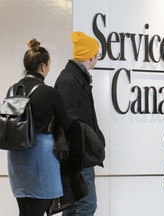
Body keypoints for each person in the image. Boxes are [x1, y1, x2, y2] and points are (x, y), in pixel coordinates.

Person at [7, 38, 71, 216]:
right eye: (49, 64)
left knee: (25, 211)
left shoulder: (12, 90)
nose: (49, 68)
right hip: (40, 156)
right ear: (42, 67)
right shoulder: (50, 93)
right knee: (37, 209)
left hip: (16, 155)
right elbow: (65, 123)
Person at [55, 31, 105, 216]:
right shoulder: (70, 80)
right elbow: (67, 120)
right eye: (97, 54)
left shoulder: (75, 77)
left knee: (74, 205)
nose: (97, 57)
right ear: (90, 56)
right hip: (78, 155)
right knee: (86, 204)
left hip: (78, 153)